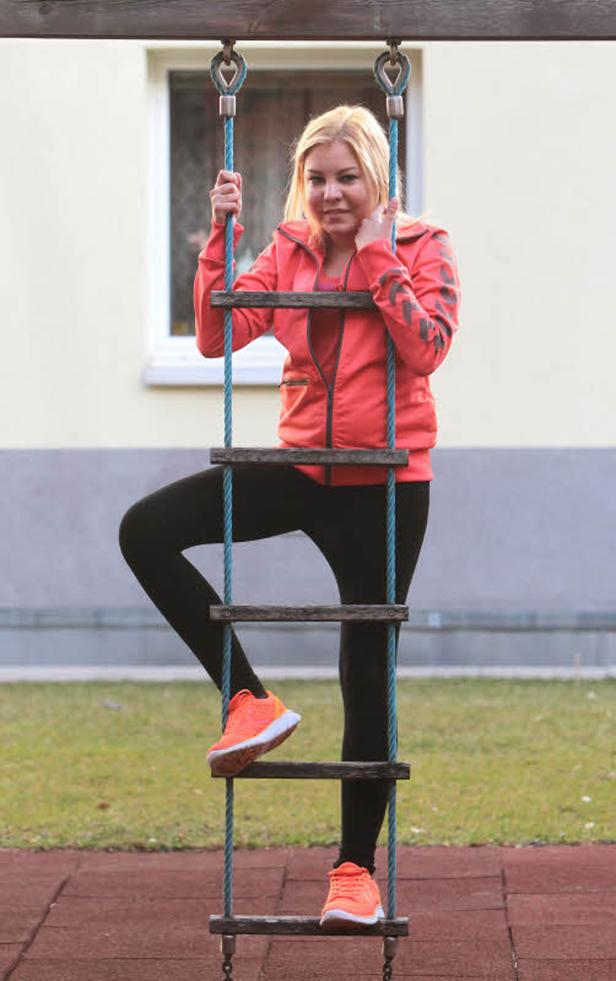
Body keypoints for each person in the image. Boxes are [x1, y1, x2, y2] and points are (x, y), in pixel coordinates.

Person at [119, 104, 460, 931]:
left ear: (377, 176)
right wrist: (220, 238)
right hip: (300, 467)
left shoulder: (422, 244)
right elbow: (216, 335)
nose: (331, 193)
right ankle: (248, 698)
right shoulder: (291, 249)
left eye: (347, 177)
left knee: (365, 668)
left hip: (386, 483)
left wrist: (376, 254)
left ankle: (354, 874)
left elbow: (427, 346)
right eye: (317, 179)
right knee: (146, 529)